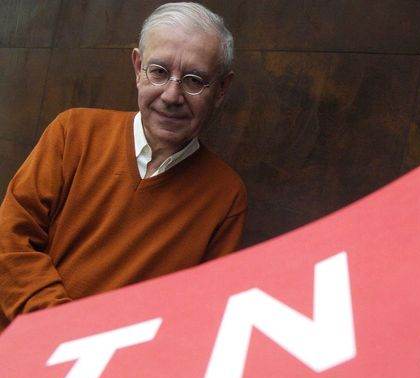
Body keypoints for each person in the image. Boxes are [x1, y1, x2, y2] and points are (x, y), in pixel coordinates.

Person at [0, 2, 246, 331]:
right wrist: (62, 328)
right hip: (23, 347)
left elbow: (201, 317)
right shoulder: (73, 132)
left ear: (221, 90)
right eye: (159, 72)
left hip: (120, 374)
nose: (172, 96)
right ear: (137, 68)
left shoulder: (226, 197)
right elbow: (9, 241)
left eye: (193, 80)